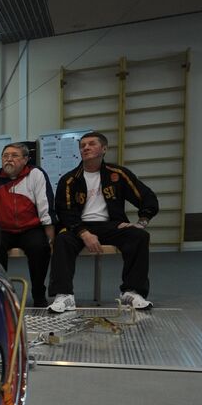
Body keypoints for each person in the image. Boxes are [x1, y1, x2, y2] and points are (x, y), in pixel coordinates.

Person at [47, 132, 159, 313]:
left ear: (104, 149)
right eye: (82, 145)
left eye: (91, 144)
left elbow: (147, 197)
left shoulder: (119, 174)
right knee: (62, 240)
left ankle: (132, 292)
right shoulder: (69, 180)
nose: (86, 148)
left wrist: (141, 222)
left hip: (111, 225)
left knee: (138, 236)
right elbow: (66, 213)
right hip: (79, 225)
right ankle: (64, 295)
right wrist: (84, 233)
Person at [0, 143, 54, 307]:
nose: (9, 159)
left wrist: (50, 235)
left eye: (14, 155)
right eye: (5, 156)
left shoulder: (36, 174)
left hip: (30, 228)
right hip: (2, 229)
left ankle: (39, 293)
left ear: (26, 159)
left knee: (40, 248)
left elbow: (44, 204)